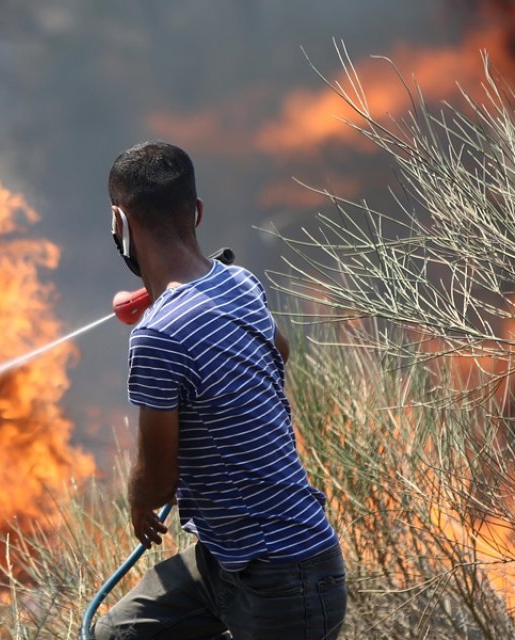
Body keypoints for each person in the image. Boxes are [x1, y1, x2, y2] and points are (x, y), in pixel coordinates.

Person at [94, 141, 346, 640]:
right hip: (231, 561)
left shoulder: (157, 336)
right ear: (197, 212)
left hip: (286, 582)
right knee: (116, 635)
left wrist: (139, 501)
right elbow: (280, 349)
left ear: (119, 223)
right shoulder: (240, 283)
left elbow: (159, 482)